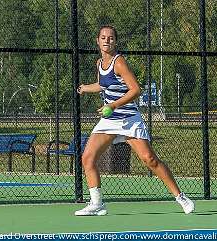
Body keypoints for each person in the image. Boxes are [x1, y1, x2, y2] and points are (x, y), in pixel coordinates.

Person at [75, 25, 195, 216]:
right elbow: (103, 84)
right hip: (109, 121)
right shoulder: (99, 64)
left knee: (150, 160)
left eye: (111, 38)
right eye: (103, 37)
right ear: (98, 41)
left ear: (116, 41)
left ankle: (180, 197)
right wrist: (85, 88)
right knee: (87, 158)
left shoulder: (119, 62)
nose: (107, 40)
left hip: (129, 119)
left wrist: (112, 105)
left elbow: (136, 90)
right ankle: (97, 204)